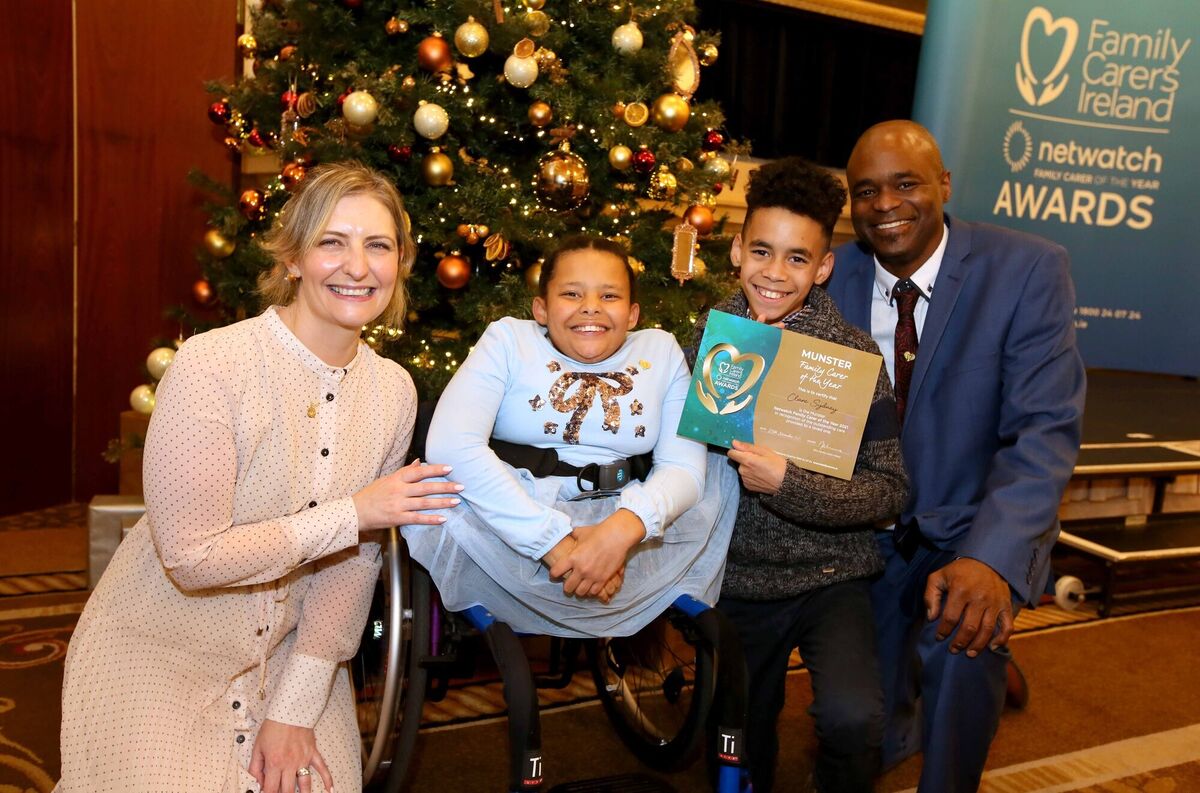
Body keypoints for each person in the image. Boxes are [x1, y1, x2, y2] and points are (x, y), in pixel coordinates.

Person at [57, 162, 463, 793]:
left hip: (298, 657)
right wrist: (352, 513)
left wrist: (295, 709)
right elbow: (191, 559)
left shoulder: (393, 391)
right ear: (293, 258)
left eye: (378, 246)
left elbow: (351, 565)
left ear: (401, 263)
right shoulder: (213, 365)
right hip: (160, 652)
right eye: (332, 241)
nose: (358, 266)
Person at [826, 120, 1086, 792]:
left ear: (944, 184)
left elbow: (1044, 430)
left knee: (964, 640)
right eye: (866, 191)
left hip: (972, 523)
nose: (885, 204)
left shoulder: (1026, 269)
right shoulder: (830, 274)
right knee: (859, 732)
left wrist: (990, 557)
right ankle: (905, 703)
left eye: (905, 184)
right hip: (866, 534)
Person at [691, 157, 909, 793]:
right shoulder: (702, 341)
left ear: (823, 268)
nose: (774, 273)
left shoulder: (853, 357)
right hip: (731, 579)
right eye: (762, 251)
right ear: (737, 251)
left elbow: (889, 491)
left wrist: (788, 485)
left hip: (831, 577)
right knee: (737, 743)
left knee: (853, 720)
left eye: (796, 258)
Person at [405, 235, 738, 637]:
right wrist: (555, 543)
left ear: (633, 314)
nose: (591, 306)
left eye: (609, 295)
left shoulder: (661, 351)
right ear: (541, 309)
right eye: (571, 293)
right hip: (514, 513)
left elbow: (683, 468)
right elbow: (452, 445)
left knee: (717, 469)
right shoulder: (508, 340)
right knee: (446, 489)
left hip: (625, 514)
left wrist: (618, 534)